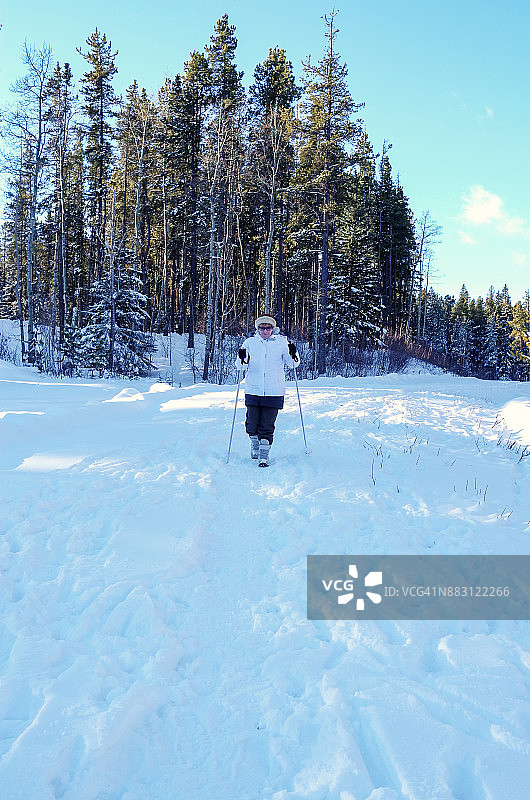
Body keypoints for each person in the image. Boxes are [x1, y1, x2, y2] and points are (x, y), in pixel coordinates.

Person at [236, 315, 299, 466]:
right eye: (262, 328)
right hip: (253, 389)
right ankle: (255, 444)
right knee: (252, 423)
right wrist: (242, 358)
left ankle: (263, 455)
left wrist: (293, 353)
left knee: (267, 424)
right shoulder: (250, 342)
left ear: (273, 329)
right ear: (257, 329)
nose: (265, 331)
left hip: (274, 390)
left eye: (268, 328)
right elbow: (240, 366)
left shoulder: (282, 343)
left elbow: (292, 364)